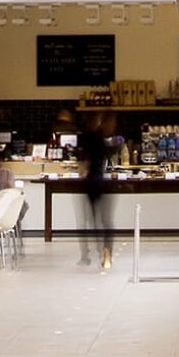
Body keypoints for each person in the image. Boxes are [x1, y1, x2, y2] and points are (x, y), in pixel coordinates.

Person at [77, 111, 123, 268]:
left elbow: (83, 162)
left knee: (93, 220)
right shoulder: (98, 138)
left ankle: (93, 254)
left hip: (92, 182)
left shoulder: (91, 138)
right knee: (105, 221)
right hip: (98, 182)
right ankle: (105, 253)